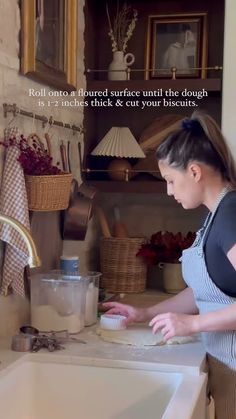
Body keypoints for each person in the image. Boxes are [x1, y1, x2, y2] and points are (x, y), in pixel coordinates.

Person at [103, 111, 236, 419]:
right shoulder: (215, 215)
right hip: (225, 364)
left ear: (194, 171)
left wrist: (193, 324)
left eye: (171, 180)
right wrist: (145, 314)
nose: (169, 190)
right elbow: (203, 291)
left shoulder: (230, 215)